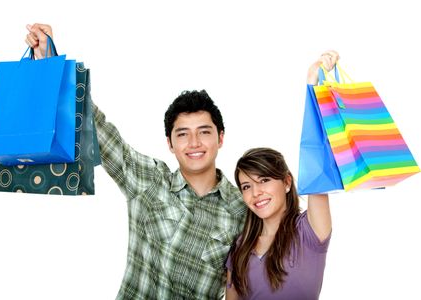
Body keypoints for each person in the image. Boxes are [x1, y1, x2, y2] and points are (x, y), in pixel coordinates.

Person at [25, 23, 247, 299]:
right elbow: (98, 128)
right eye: (183, 134)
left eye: (204, 132)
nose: (194, 144)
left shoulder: (241, 208)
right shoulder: (149, 180)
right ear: (170, 143)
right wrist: (52, 65)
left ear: (221, 137)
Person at [225, 52, 339, 300]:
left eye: (264, 180)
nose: (255, 193)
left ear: (287, 182)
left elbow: (317, 158)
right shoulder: (240, 247)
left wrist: (313, 86)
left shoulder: (309, 231)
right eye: (246, 186)